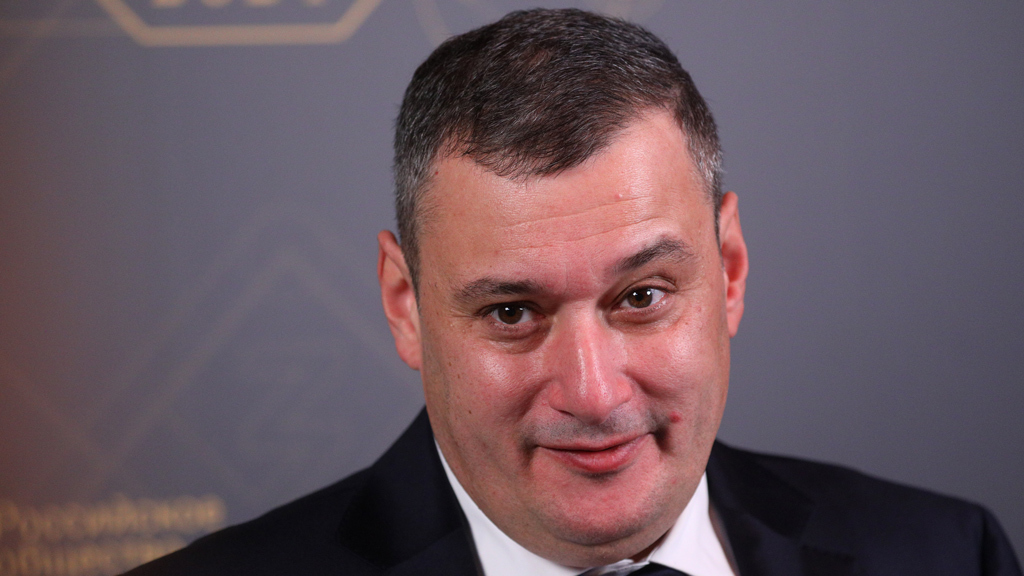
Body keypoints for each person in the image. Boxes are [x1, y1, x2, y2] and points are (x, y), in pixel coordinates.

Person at [124, 8, 1021, 576]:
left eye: (643, 296)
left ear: (730, 270)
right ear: (405, 305)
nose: (592, 393)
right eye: (512, 313)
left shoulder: (947, 555)